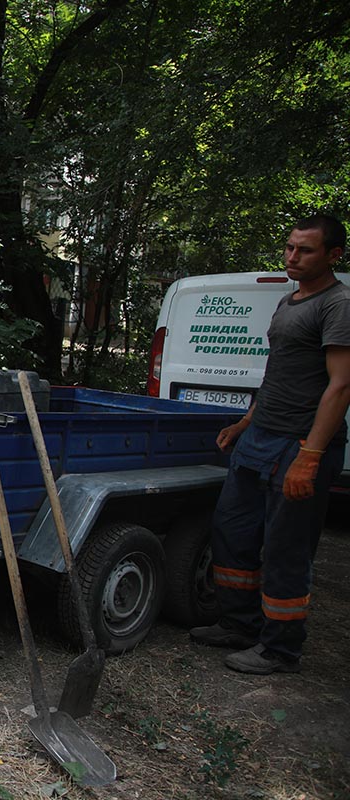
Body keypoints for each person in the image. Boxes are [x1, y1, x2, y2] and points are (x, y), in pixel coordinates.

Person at [190, 213, 350, 674]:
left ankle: (281, 648)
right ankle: (239, 624)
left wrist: (311, 456)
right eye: (289, 247)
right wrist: (244, 423)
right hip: (260, 438)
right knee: (233, 532)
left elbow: (340, 386)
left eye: (306, 250)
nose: (292, 257)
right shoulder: (288, 302)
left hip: (300, 446)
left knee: (285, 548)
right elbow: (278, 376)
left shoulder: (338, 305)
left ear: (333, 255)